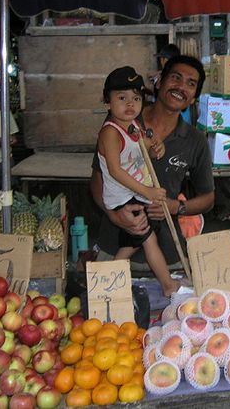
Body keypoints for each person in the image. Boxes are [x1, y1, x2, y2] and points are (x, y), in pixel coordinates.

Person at [91, 55, 215, 278]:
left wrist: (176, 207)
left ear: (194, 98)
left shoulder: (195, 140)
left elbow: (208, 198)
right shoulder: (123, 120)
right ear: (159, 81)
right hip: (115, 248)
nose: (181, 87)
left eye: (191, 83)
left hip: (168, 258)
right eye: (175, 78)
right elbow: (98, 179)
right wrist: (114, 215)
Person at [96, 66, 181, 297]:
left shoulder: (133, 125)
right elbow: (114, 170)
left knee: (133, 243)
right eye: (122, 98)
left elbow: (144, 148)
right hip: (123, 197)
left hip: (135, 193)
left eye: (136, 98)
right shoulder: (111, 132)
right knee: (147, 239)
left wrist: (156, 148)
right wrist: (146, 190)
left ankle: (103, 283)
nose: (130, 104)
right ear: (107, 102)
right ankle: (167, 285)